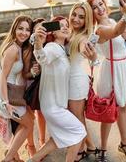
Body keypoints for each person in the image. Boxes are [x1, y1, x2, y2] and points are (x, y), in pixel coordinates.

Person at [27, 16, 86, 162]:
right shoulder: (52, 47)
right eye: (61, 25)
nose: (65, 27)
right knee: (79, 131)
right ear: (52, 31)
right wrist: (38, 45)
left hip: (56, 104)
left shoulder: (62, 49)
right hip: (52, 106)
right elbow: (42, 57)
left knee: (57, 138)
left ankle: (33, 160)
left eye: (67, 25)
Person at [86, 0, 126, 162]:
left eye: (101, 4)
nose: (100, 8)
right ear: (91, 13)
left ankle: (125, 144)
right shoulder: (99, 30)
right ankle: (103, 149)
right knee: (108, 111)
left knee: (122, 107)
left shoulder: (114, 21)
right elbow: (115, 32)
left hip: (123, 69)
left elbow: (122, 34)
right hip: (110, 71)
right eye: (94, 7)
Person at [0, 15, 35, 162]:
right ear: (14, 29)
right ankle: (9, 158)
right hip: (5, 95)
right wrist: (6, 102)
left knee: (26, 122)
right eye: (20, 28)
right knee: (29, 123)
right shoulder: (12, 49)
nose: (24, 32)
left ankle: (12, 156)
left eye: (27, 30)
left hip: (8, 92)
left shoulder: (18, 47)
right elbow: (3, 77)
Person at [68, 2, 99, 161]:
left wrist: (93, 57)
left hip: (76, 82)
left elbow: (84, 48)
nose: (76, 19)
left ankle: (80, 149)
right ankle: (92, 146)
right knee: (77, 117)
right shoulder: (70, 32)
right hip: (70, 81)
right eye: (74, 14)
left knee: (77, 118)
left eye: (81, 17)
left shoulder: (83, 38)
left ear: (86, 20)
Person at [22, 18, 47, 157]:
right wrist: (32, 71)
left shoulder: (49, 46)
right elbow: (23, 73)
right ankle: (30, 145)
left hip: (43, 84)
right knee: (29, 116)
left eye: (43, 28)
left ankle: (42, 141)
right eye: (37, 29)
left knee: (41, 113)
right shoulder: (27, 49)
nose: (40, 32)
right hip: (29, 85)